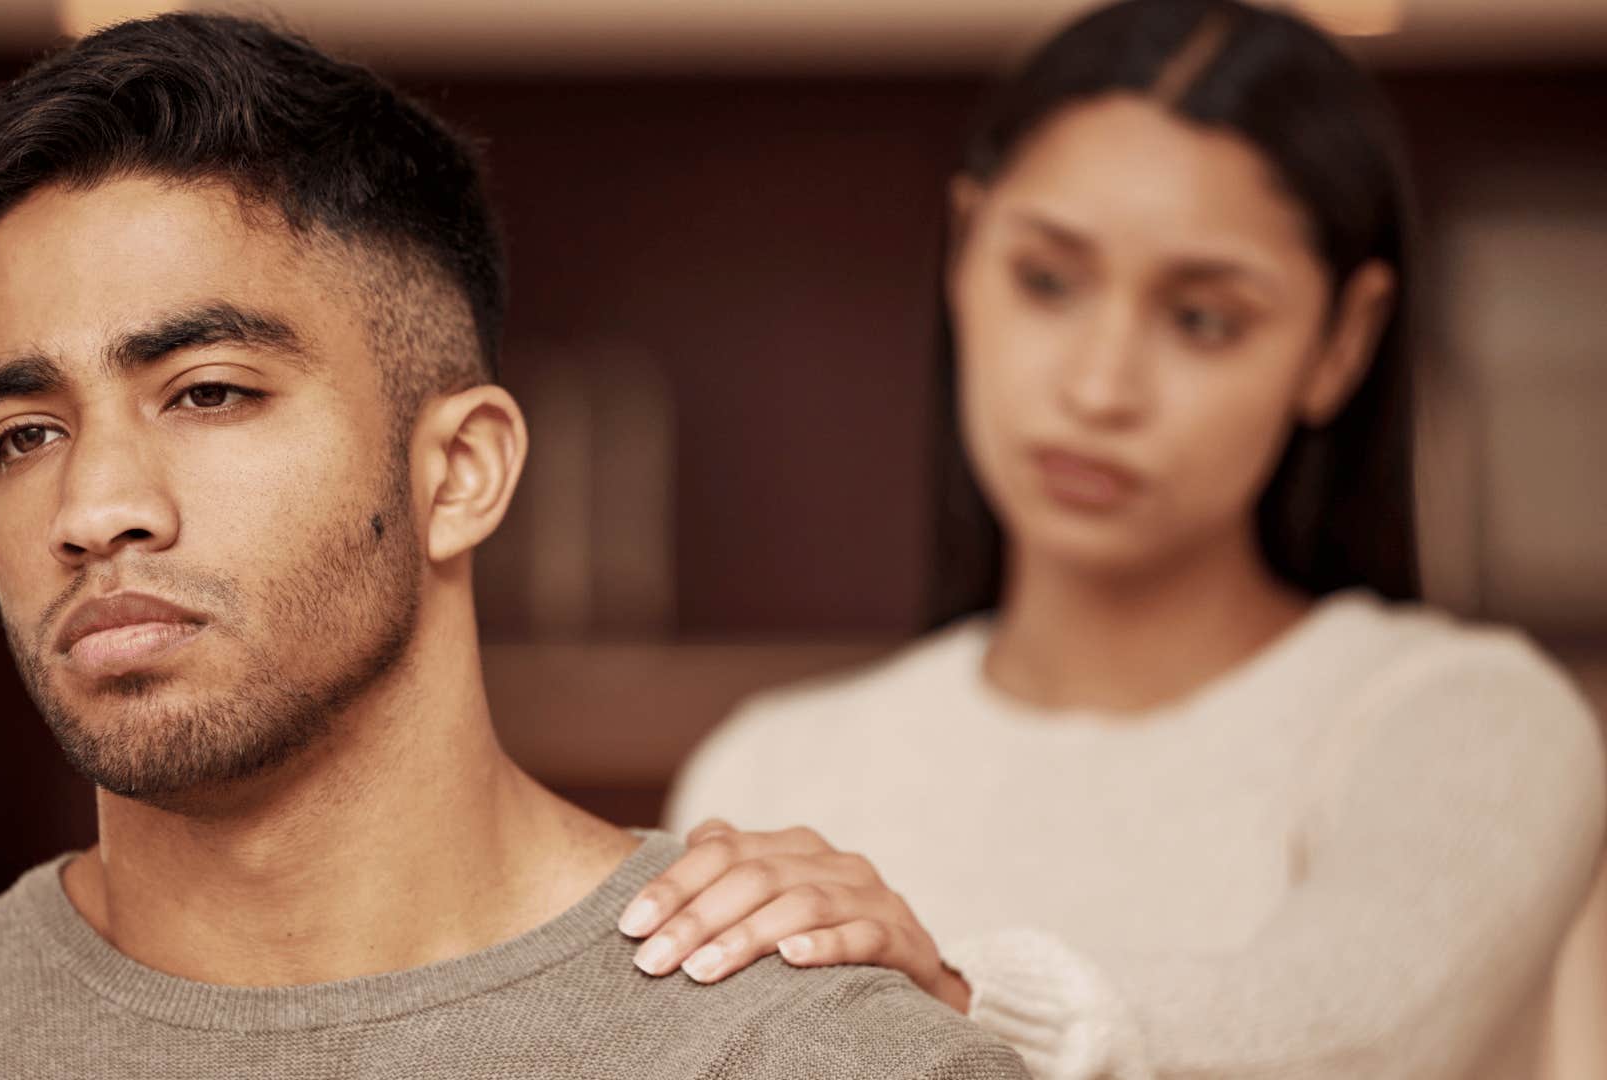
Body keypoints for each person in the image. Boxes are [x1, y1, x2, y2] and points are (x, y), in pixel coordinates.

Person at [0, 14, 1027, 1079]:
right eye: (24, 433)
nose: (92, 509)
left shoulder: (812, 1057)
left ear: (459, 472)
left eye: (208, 393)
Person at [620, 1, 1607, 1077]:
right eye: (1046, 282)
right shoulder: (773, 765)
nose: (1099, 387)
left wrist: (955, 1004)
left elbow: (1348, 1030)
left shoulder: (1474, 725)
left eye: (1202, 320)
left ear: (1343, 339)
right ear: (964, 251)